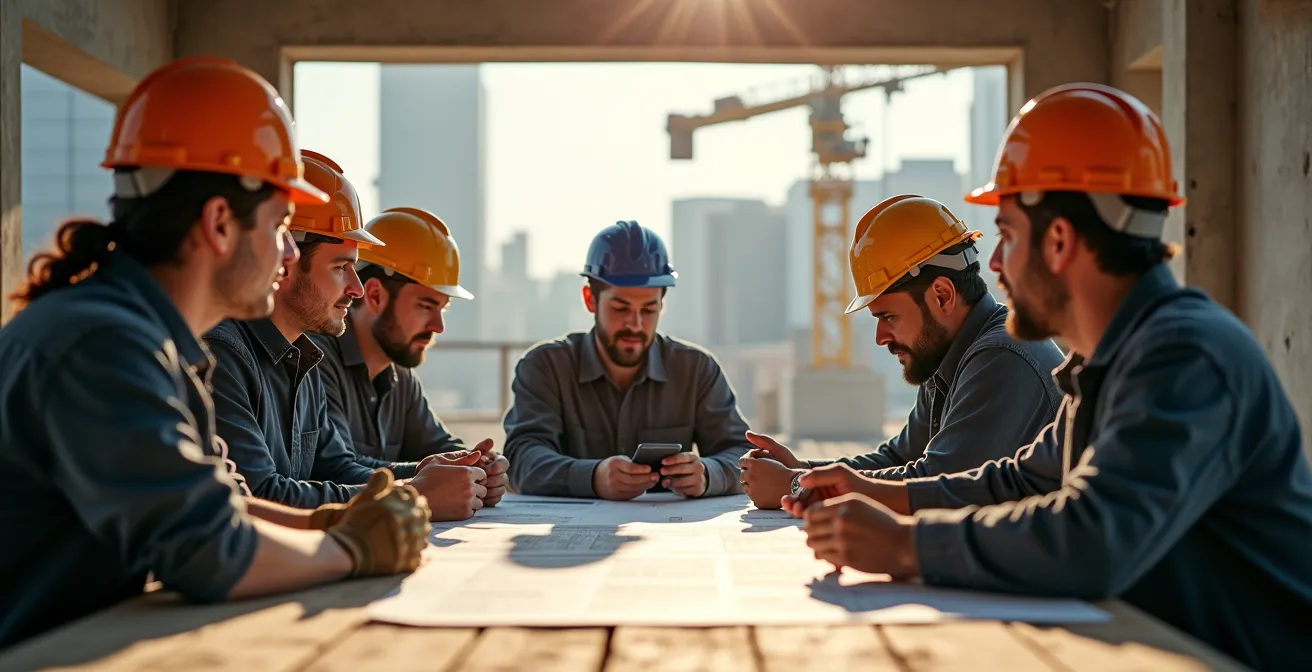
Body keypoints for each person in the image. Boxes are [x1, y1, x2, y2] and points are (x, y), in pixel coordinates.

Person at [790, 83, 1312, 670]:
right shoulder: (1111, 360)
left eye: (1007, 235)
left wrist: (903, 545)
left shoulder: (1187, 356)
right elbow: (1019, 481)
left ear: (1059, 240)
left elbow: (1094, 538)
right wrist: (872, 492)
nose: (991, 264)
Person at [0, 57, 429, 650]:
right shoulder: (103, 347)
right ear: (220, 223)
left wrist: (326, 523)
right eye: (281, 226)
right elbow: (207, 549)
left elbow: (224, 504)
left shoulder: (154, 343)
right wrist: (351, 550)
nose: (286, 256)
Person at [206, 150, 488, 521]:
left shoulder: (303, 360)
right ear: (286, 259)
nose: (355, 288)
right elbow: (259, 498)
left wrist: (428, 475)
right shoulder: (223, 355)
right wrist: (417, 493)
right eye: (341, 267)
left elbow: (338, 470)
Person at [739, 195, 1064, 509]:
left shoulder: (1002, 357)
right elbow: (900, 459)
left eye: (888, 317)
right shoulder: (946, 354)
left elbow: (936, 483)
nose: (881, 337)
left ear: (941, 296)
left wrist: (796, 485)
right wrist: (804, 468)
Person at [503, 220, 752, 500]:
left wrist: (708, 474)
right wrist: (592, 477)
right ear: (590, 300)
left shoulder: (696, 369)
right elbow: (521, 458)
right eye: (621, 308)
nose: (635, 325)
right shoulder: (546, 367)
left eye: (648, 309)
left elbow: (744, 454)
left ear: (662, 304)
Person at [310, 206, 509, 506]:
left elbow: (442, 447)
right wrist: (430, 479)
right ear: (375, 296)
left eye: (443, 309)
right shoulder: (314, 360)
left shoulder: (400, 375)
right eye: (426, 306)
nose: (438, 326)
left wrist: (480, 466)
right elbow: (336, 468)